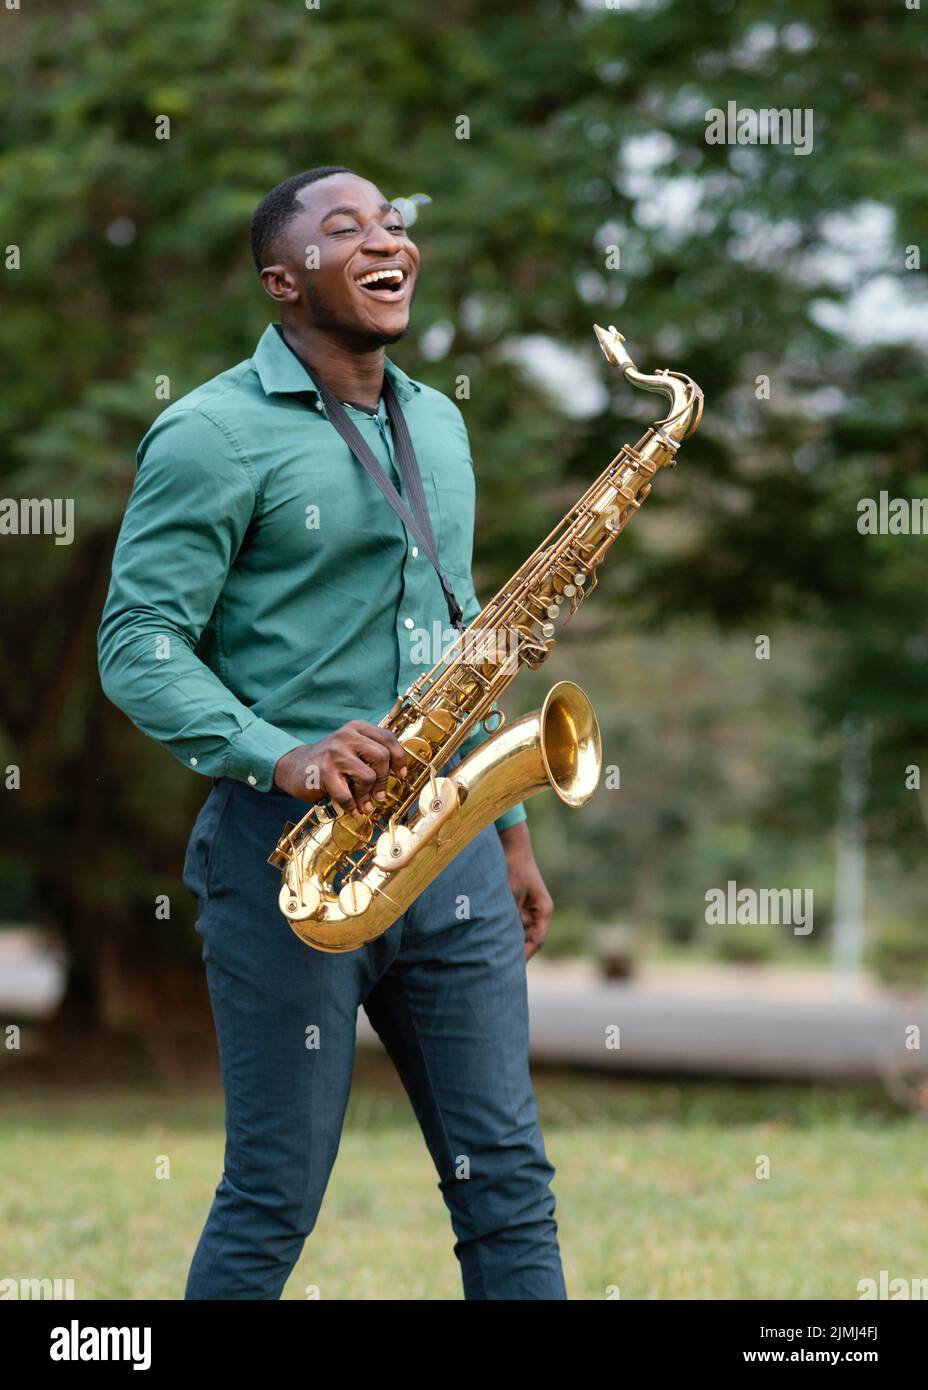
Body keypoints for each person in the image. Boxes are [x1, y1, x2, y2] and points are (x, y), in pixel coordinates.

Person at [97, 165, 566, 1300]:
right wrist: (283, 751)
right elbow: (138, 640)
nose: (382, 238)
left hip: (447, 849)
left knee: (505, 1176)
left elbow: (462, 639)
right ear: (282, 280)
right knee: (275, 1189)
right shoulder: (210, 432)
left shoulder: (439, 422)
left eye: (394, 222)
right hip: (287, 858)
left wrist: (507, 834)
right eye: (342, 227)